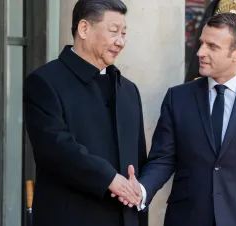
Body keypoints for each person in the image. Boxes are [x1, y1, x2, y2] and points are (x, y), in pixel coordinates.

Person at [123, 13, 236, 226]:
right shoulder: (178, 97)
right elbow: (163, 158)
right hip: (186, 218)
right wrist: (142, 190)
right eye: (202, 43)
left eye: (212, 46)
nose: (201, 52)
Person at [23, 1, 148, 226]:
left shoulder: (128, 90)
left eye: (124, 33)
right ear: (84, 29)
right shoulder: (45, 81)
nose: (120, 42)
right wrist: (109, 178)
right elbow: (55, 148)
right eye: (113, 32)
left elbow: (139, 162)